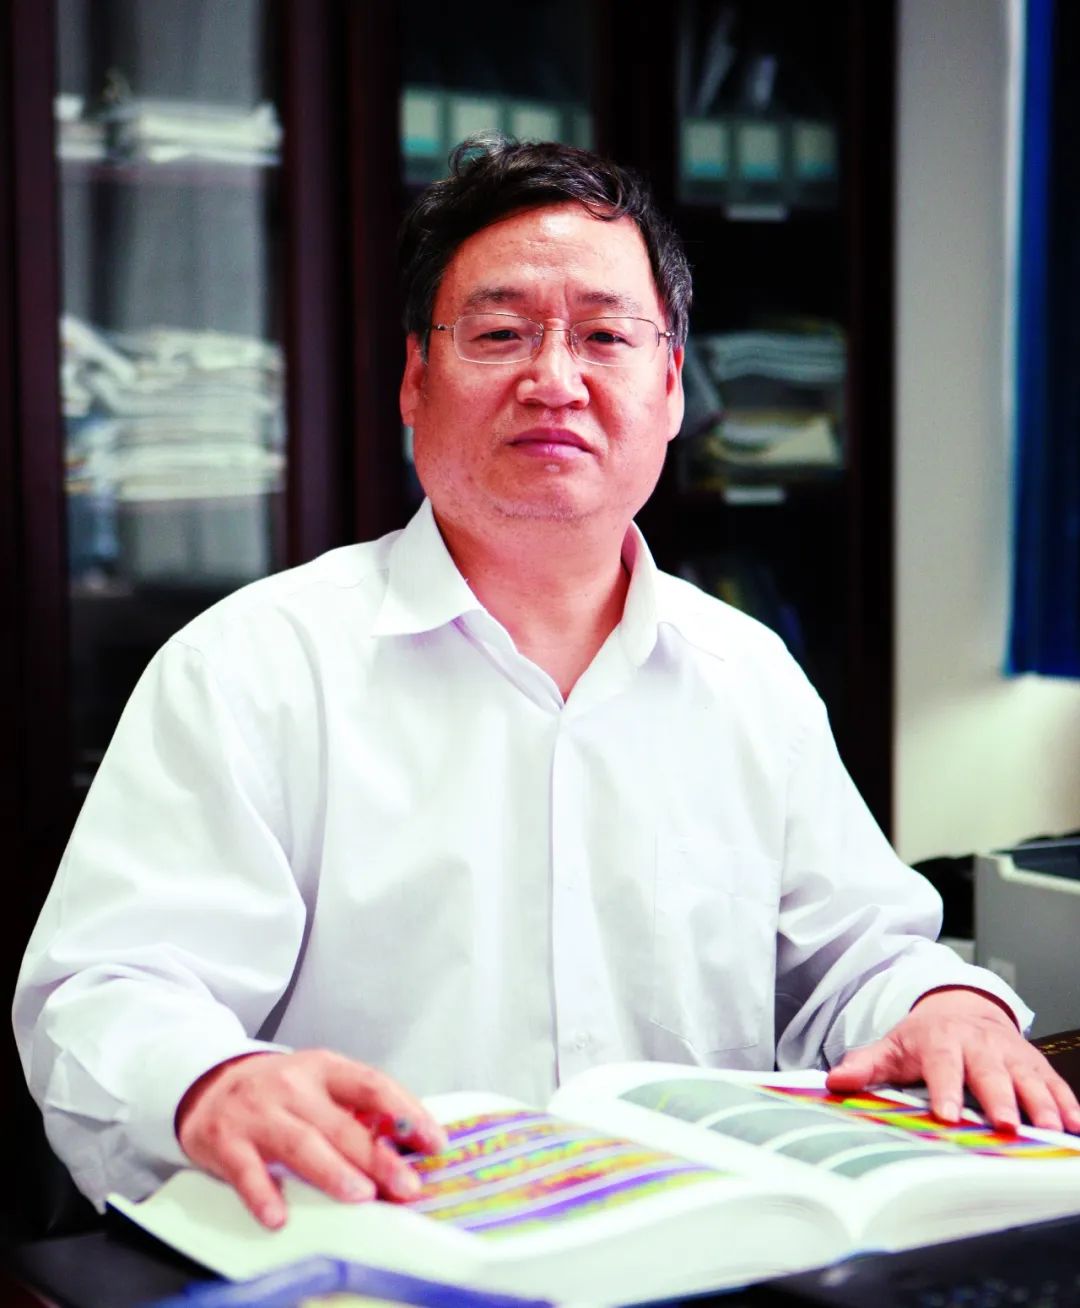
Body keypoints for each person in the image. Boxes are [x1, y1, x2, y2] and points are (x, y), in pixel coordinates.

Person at [14, 135, 1079, 1233]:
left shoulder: (748, 678)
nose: (555, 380)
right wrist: (214, 1084)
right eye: (500, 334)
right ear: (415, 381)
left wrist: (944, 1005)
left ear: (671, 387)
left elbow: (854, 957)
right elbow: (110, 993)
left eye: (606, 337)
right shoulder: (252, 668)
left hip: (696, 1254)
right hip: (375, 1254)